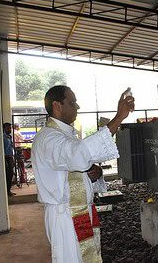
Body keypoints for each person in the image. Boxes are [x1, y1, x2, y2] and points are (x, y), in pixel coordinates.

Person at [31, 85, 134, 263]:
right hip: (64, 216)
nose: (77, 107)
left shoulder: (66, 135)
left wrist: (93, 174)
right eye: (72, 102)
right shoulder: (48, 138)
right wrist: (118, 118)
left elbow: (73, 167)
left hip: (79, 211)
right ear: (57, 105)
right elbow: (77, 155)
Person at [3, 122, 15, 196]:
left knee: (10, 174)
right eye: (8, 128)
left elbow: (11, 146)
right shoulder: (3, 137)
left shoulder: (9, 137)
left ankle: (8, 191)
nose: (10, 129)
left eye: (10, 128)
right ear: (4, 128)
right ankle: (7, 191)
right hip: (6, 158)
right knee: (8, 175)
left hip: (10, 157)